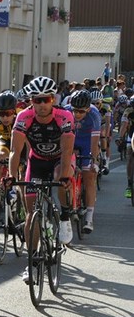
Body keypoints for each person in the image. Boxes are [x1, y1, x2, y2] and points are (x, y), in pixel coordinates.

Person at [7, 76, 75, 282]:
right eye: (37, 100)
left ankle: (65, 216)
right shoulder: (23, 117)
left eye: (47, 99)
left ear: (53, 99)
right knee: (31, 213)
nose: (42, 104)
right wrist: (11, 176)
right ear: (31, 101)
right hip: (36, 161)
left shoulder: (65, 116)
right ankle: (32, 261)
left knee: (59, 176)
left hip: (60, 159)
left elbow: (67, 150)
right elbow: (15, 150)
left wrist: (65, 176)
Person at [66, 90, 100, 233]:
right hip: (72, 141)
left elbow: (95, 141)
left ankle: (89, 219)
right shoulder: (66, 111)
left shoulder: (94, 114)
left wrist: (94, 161)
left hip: (87, 143)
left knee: (89, 177)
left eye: (81, 111)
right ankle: (71, 204)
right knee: (68, 173)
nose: (77, 114)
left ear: (87, 109)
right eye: (75, 110)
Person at [117, 95, 134, 198]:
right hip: (132, 134)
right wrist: (120, 137)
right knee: (129, 155)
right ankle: (129, 184)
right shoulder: (128, 111)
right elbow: (124, 125)